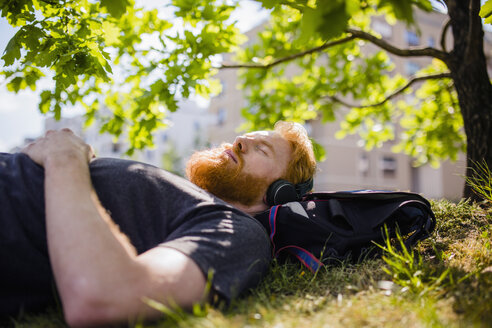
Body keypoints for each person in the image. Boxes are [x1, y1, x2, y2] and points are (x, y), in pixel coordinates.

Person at [0, 121, 316, 326]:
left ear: (280, 193)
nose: (239, 142)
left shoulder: (239, 232)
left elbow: (105, 296)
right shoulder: (193, 201)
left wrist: (65, 158)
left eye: (261, 149)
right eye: (244, 137)